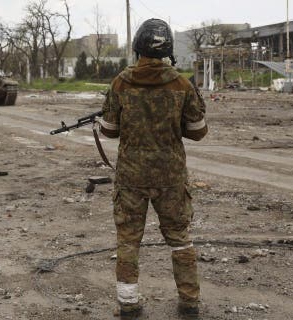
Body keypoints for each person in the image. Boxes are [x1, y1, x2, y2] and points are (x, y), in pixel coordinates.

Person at [99, 18, 208, 319]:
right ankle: (189, 302)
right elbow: (198, 131)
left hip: (131, 177)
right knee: (179, 240)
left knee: (128, 240)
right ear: (168, 49)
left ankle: (129, 304)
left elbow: (109, 130)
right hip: (171, 177)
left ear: (137, 47)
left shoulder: (120, 82)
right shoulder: (182, 84)